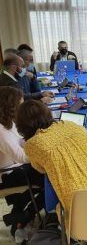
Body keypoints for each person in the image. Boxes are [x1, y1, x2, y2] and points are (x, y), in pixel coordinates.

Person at [16, 100, 87, 242]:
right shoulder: (71, 125)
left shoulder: (33, 144)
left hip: (84, 211)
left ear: (22, 127)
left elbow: (39, 168)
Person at [0, 87, 44, 237]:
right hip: (7, 174)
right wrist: (43, 153)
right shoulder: (1, 130)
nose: (23, 106)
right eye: (21, 103)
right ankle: (26, 215)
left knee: (48, 177)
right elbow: (21, 156)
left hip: (16, 168)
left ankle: (20, 216)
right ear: (11, 106)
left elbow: (21, 142)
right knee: (51, 180)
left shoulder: (8, 123)